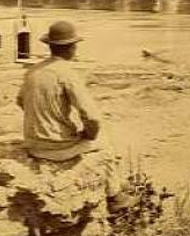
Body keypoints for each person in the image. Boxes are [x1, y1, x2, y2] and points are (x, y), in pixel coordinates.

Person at [16, 20, 133, 210]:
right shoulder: (67, 73)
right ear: (71, 48)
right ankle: (115, 197)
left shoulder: (32, 71)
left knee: (94, 138)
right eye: (75, 46)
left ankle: (116, 184)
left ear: (50, 46)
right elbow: (92, 117)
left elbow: (20, 101)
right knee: (104, 144)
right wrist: (88, 134)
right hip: (56, 148)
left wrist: (43, 119)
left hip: (32, 144)